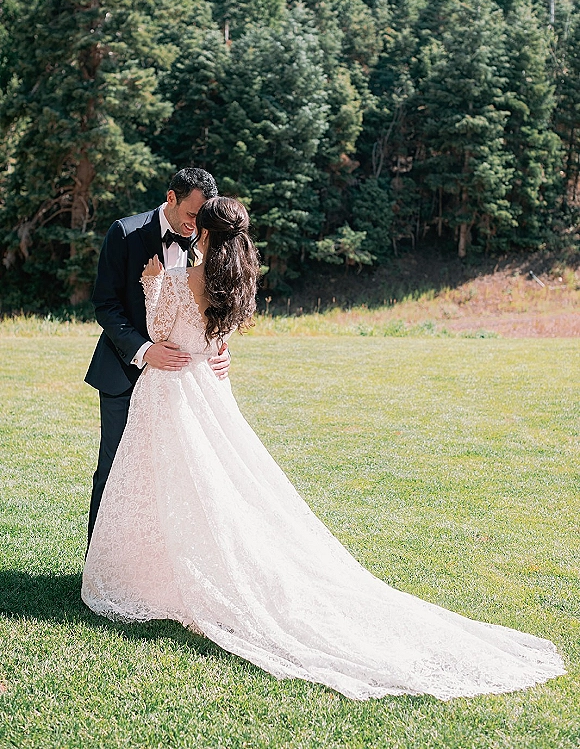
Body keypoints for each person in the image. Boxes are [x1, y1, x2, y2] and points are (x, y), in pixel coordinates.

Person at [82, 197, 566, 701]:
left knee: (180, 481)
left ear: (201, 229)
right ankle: (166, 568)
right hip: (204, 389)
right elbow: (203, 332)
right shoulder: (234, 277)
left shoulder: (187, 277)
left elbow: (164, 330)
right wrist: (210, 347)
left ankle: (172, 575)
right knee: (200, 483)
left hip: (174, 391)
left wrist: (153, 283)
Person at [84, 168, 230, 545]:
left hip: (181, 386)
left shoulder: (204, 242)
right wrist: (146, 351)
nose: (195, 225)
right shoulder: (125, 233)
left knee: (179, 474)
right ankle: (99, 563)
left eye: (202, 218)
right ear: (171, 198)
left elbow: (212, 309)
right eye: (191, 215)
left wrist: (221, 350)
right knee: (116, 469)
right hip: (124, 372)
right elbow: (106, 305)